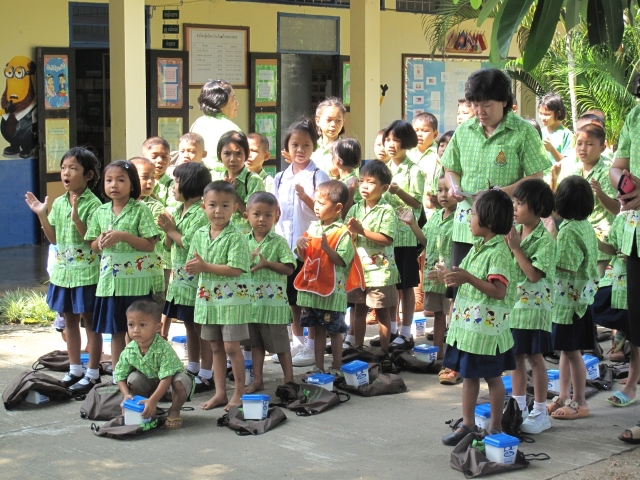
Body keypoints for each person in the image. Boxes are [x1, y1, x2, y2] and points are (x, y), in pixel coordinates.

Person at [442, 68, 550, 301]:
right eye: (475, 104)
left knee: (498, 292)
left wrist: (500, 192)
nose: (480, 111)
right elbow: (451, 168)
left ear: (504, 101)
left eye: (487, 105)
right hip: (466, 226)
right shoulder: (464, 130)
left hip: (502, 227)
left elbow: (536, 177)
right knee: (461, 292)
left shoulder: (523, 131)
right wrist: (454, 187)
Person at [439, 189, 516, 446]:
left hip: (486, 334)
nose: (469, 220)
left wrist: (468, 278)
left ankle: (495, 427)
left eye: (472, 214)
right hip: (469, 331)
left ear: (489, 220)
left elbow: (499, 290)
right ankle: (468, 425)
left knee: (493, 378)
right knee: (469, 376)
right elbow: (464, 279)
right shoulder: (478, 248)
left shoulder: (499, 252)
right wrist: (445, 275)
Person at [25, 147, 102, 392]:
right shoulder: (58, 202)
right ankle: (75, 369)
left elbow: (92, 240)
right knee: (69, 321)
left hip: (87, 274)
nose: (66, 173)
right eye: (63, 168)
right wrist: (41, 214)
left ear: (88, 175)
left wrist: (77, 217)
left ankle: (93, 373)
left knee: (91, 322)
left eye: (73, 168)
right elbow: (54, 239)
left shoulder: (94, 204)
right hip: (63, 274)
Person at [85, 160, 161, 374]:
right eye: (109, 180)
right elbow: (92, 245)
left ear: (132, 184)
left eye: (121, 180)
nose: (114, 185)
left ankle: (142, 373)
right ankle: (119, 374)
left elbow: (149, 244)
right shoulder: (100, 211)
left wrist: (123, 236)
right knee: (116, 331)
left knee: (139, 331)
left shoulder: (141, 210)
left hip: (136, 285)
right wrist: (99, 242)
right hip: (110, 284)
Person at [186, 180, 251, 411]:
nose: (218, 211)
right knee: (215, 347)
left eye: (225, 205)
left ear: (235, 208)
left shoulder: (236, 237)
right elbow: (193, 262)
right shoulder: (200, 234)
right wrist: (192, 267)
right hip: (208, 301)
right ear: (203, 206)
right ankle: (220, 393)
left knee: (232, 347)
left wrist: (204, 266)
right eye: (212, 205)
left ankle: (239, 393)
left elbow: (235, 269)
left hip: (232, 302)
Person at [272, 118, 330, 367]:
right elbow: (275, 212)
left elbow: (325, 211)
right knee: (291, 298)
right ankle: (297, 341)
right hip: (286, 247)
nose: (300, 150)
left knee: (309, 299)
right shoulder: (279, 177)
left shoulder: (318, 175)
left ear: (313, 147)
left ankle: (312, 344)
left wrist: (306, 197)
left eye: (306, 145)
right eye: (295, 145)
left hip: (311, 248)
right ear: (287, 147)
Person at [504, 179, 556, 434]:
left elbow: (534, 275)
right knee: (516, 358)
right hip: (515, 308)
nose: (514, 207)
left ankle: (540, 410)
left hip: (534, 309)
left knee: (535, 358)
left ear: (538, 208)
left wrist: (515, 249)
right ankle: (519, 407)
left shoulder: (545, 240)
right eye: (514, 202)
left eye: (520, 203)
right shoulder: (514, 230)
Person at [546, 176, 598, 421]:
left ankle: (580, 402)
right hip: (579, 300)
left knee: (573, 353)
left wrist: (550, 236)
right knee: (566, 351)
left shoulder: (567, 231)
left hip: (570, 303)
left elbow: (565, 266)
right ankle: (564, 395)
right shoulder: (584, 225)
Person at [295, 180, 360, 374]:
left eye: (321, 203)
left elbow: (342, 260)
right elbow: (305, 257)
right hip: (313, 291)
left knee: (335, 331)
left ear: (338, 208)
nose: (316, 206)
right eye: (315, 202)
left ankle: (337, 366)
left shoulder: (343, 233)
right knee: (317, 329)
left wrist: (326, 248)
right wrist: (300, 246)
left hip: (332, 295)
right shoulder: (312, 228)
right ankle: (319, 367)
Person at [158, 162, 212, 393]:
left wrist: (171, 230)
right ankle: (193, 366)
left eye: (177, 181)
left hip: (194, 282)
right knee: (189, 325)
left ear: (190, 184)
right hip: (180, 281)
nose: (173, 185)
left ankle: (207, 373)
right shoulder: (179, 210)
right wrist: (168, 231)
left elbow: (190, 244)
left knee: (201, 327)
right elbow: (167, 244)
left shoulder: (200, 213)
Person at [608, 103, 640, 444]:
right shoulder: (635, 115)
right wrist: (625, 184)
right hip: (636, 237)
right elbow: (616, 167)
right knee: (637, 323)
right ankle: (633, 382)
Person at [242, 192, 296, 392]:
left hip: (273, 307)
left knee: (281, 345)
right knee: (256, 345)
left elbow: (289, 268)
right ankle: (258, 379)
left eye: (268, 215)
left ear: (276, 216)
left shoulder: (279, 242)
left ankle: (289, 380)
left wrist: (267, 264)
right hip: (251, 306)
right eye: (256, 214)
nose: (262, 219)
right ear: (246, 216)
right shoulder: (242, 241)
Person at [400, 173, 455, 368]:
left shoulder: (461, 218)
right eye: (440, 190)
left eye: (448, 190)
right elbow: (426, 241)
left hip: (449, 276)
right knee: (438, 314)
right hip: (433, 275)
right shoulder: (436, 217)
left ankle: (454, 356)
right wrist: (412, 224)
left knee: (453, 316)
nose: (443, 195)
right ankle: (438, 352)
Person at [345, 160, 399, 359]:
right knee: (359, 310)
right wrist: (351, 234)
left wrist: (362, 231)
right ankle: (359, 349)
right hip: (359, 271)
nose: (364, 186)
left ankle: (384, 353)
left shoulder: (387, 210)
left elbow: (387, 239)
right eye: (362, 181)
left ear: (384, 188)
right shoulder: (355, 208)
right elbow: (347, 235)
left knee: (382, 312)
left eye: (371, 182)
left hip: (380, 272)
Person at [114, 300, 193, 430]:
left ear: (157, 327)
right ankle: (146, 408)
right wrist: (126, 395)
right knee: (133, 378)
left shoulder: (164, 348)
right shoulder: (129, 350)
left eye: (142, 325)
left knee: (181, 380)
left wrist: (153, 400)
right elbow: (119, 375)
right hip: (150, 387)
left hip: (170, 388)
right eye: (131, 325)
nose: (136, 330)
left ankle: (174, 411)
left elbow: (167, 378)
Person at [383, 119, 424, 351]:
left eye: (396, 140)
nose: (391, 144)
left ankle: (406, 332)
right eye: (388, 139)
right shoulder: (383, 169)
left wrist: (399, 191)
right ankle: (391, 330)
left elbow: (417, 203)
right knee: (390, 285)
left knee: (406, 286)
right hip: (385, 236)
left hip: (406, 236)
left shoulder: (414, 170)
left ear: (406, 142)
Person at [573, 124, 620, 277]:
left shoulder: (606, 172)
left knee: (597, 281)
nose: (583, 149)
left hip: (601, 234)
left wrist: (600, 194)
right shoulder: (575, 171)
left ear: (602, 147)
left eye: (589, 144)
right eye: (579, 143)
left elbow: (617, 208)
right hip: (580, 231)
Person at [131, 156, 168, 320]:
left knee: (151, 316)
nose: (150, 182)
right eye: (145, 177)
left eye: (152, 177)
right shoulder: (119, 205)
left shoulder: (156, 206)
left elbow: (152, 238)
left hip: (151, 273)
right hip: (128, 275)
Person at [215, 131, 265, 235]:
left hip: (246, 241)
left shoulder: (253, 180)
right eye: (227, 153)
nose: (232, 159)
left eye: (238, 153)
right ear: (220, 155)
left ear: (246, 154)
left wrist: (232, 194)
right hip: (222, 239)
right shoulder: (216, 180)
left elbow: (257, 216)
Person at [190, 79, 241, 174]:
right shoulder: (232, 130)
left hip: (197, 177)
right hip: (223, 179)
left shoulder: (198, 123)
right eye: (233, 99)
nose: (237, 103)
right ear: (220, 102)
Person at [538, 93, 575, 188]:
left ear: (558, 113)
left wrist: (551, 149)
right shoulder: (539, 132)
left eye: (547, 114)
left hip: (558, 184)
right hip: (540, 183)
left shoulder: (566, 134)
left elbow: (568, 164)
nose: (542, 118)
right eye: (540, 113)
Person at [408, 112, 440, 212]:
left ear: (435, 134)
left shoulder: (439, 153)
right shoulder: (407, 153)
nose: (419, 134)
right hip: (409, 208)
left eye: (425, 131)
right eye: (416, 130)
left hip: (432, 208)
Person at [310, 97, 346, 175]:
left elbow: (352, 178)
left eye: (338, 120)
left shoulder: (346, 149)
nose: (333, 124)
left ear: (343, 122)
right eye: (328, 120)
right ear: (317, 121)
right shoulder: (310, 148)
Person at [331, 138, 362, 216]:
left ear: (337, 161)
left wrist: (350, 190)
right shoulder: (358, 180)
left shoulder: (347, 185)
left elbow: (345, 215)